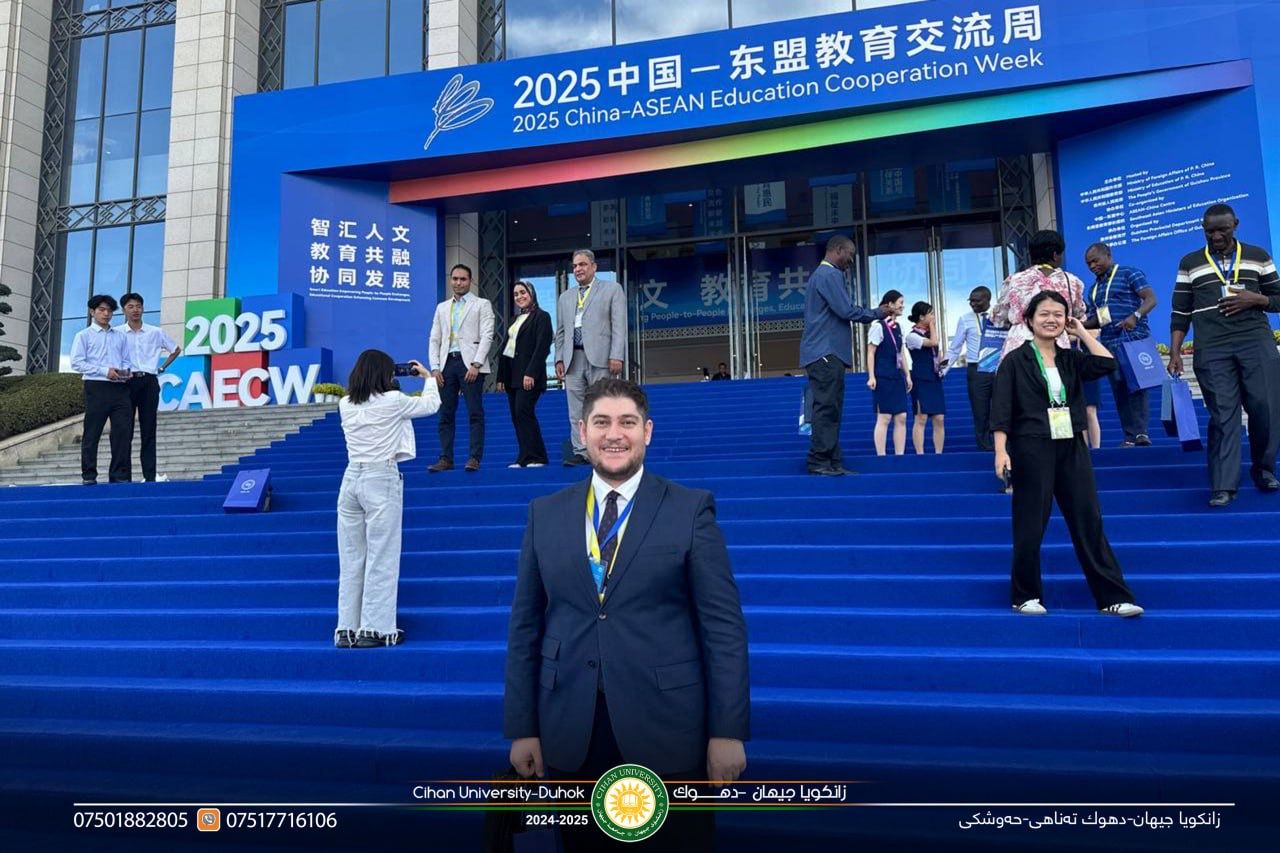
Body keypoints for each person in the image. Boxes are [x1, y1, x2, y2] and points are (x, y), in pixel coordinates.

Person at [505, 378, 749, 852]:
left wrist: (727, 731)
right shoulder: (544, 514)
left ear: (647, 431)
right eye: (601, 422)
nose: (614, 434)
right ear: (582, 431)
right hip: (572, 729)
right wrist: (522, 728)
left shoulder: (689, 509)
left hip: (668, 729)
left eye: (627, 423)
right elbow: (525, 627)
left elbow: (723, 629)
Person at [990, 291, 1144, 618]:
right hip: (1031, 446)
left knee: (1088, 520)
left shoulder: (1071, 358)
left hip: (1071, 444)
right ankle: (1025, 595)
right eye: (1044, 314)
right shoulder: (1015, 361)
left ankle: (1113, 597)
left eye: (1058, 314)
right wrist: (1001, 451)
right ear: (1029, 320)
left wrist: (1082, 332)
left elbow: (1107, 363)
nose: (1052, 320)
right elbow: (1001, 409)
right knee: (1030, 523)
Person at [1169, 203, 1280, 507]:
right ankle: (1223, 484)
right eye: (1210, 231)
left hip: (1255, 341)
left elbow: (1278, 298)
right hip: (1212, 347)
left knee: (1266, 408)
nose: (1216, 236)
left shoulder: (1258, 256)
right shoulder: (1190, 263)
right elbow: (1180, 311)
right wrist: (1175, 352)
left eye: (1223, 230)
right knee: (1222, 413)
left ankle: (1264, 469)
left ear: (1236, 225)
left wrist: (1256, 299)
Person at [335, 350, 441, 648]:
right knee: (382, 556)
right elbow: (431, 405)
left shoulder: (345, 404)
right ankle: (374, 629)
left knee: (351, 559)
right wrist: (428, 377)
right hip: (380, 478)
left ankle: (346, 628)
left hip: (350, 480)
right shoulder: (393, 401)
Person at [799, 233, 885, 476]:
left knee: (830, 407)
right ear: (838, 249)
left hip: (823, 353)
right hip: (826, 352)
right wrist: (877, 313)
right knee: (827, 408)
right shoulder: (829, 274)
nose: (852, 260)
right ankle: (819, 461)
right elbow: (846, 310)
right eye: (850, 254)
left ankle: (831, 460)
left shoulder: (822, 275)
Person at [554, 249, 627, 467]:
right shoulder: (565, 297)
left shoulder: (612, 289)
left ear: (594, 267)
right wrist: (559, 358)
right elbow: (561, 331)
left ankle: (605, 448)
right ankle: (581, 451)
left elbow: (619, 326)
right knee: (576, 409)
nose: (578, 269)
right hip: (572, 358)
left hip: (601, 357)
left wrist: (617, 355)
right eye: (575, 266)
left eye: (583, 264)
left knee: (603, 405)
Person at [1084, 243, 1157, 447]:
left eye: (1095, 260)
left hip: (1134, 339)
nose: (1092, 266)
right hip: (1109, 344)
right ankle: (1129, 436)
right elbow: (1098, 320)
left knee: (1137, 386)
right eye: (1088, 263)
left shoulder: (1129, 273)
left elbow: (1151, 299)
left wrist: (1135, 316)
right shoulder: (1094, 289)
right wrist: (1078, 325)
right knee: (1119, 390)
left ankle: (1141, 433)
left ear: (1108, 255)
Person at [427, 264, 495, 473]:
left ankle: (474, 457)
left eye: (463, 279)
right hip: (446, 364)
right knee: (445, 414)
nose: (458, 283)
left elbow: (487, 335)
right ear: (450, 280)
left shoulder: (482, 304)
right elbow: (434, 338)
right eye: (455, 279)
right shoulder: (442, 307)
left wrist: (476, 363)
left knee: (474, 412)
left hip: (471, 365)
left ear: (470, 281)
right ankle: (445, 458)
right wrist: (435, 367)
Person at [993, 230, 1087, 364]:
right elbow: (1078, 315)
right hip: (1056, 346)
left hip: (1018, 347)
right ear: (1055, 255)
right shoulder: (1072, 282)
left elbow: (998, 317)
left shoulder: (1014, 280)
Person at [117, 292, 181, 482]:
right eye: (130, 306)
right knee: (124, 431)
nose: (135, 310)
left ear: (143, 308)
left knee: (149, 429)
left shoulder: (155, 332)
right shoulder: (117, 333)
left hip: (149, 381)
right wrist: (121, 374)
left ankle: (150, 476)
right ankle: (123, 477)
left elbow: (175, 349)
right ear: (123, 310)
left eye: (138, 306)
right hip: (126, 382)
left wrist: (161, 368)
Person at [69, 294, 133, 485]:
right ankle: (89, 475)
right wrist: (105, 371)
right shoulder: (83, 335)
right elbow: (77, 363)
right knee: (92, 432)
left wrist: (124, 372)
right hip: (96, 387)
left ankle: (119, 475)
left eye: (109, 310)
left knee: (122, 432)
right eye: (102, 310)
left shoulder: (120, 336)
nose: (106, 314)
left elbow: (126, 359)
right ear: (92, 312)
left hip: (120, 388)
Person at [496, 281, 552, 468]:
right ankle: (524, 456)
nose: (519, 296)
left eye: (523, 292)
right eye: (516, 294)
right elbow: (505, 349)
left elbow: (542, 347)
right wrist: (501, 377)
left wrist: (531, 373)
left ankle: (537, 457)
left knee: (523, 411)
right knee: (516, 415)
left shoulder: (542, 317)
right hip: (512, 375)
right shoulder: (514, 319)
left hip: (529, 375)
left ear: (532, 293)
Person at [945, 286, 995, 451]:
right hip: (977, 369)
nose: (973, 304)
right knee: (980, 410)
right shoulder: (965, 319)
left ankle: (1005, 443)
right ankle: (984, 445)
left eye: (977, 301)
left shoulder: (1000, 317)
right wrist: (942, 370)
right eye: (971, 301)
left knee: (1002, 407)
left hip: (999, 367)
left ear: (987, 299)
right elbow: (955, 348)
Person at [867, 290, 911, 456]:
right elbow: (870, 352)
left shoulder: (899, 327)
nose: (902, 306)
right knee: (884, 417)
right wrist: (872, 376)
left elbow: (901, 353)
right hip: (883, 377)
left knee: (901, 417)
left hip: (897, 376)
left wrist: (907, 374)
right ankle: (881, 456)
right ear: (890, 304)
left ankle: (900, 456)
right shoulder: (878, 326)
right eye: (900, 303)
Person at [906, 301, 945, 454]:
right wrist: (933, 326)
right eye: (931, 314)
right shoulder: (912, 336)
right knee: (921, 417)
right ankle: (920, 453)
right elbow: (933, 342)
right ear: (922, 317)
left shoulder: (929, 333)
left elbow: (936, 350)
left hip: (934, 378)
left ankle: (939, 453)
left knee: (939, 418)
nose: (933, 316)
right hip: (921, 379)